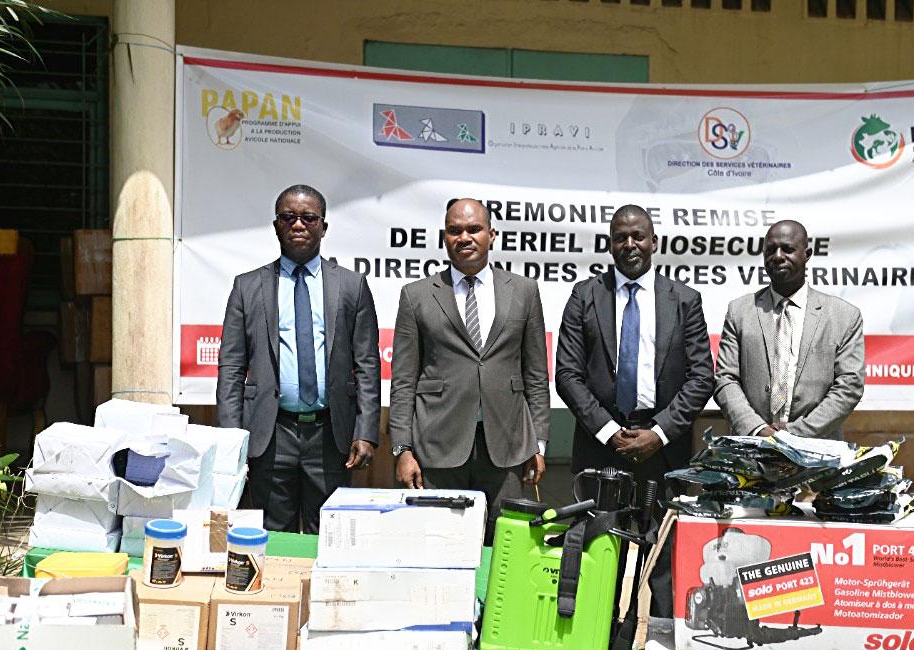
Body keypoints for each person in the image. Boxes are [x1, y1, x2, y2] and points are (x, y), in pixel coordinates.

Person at [555, 204, 715, 618]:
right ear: (610, 245)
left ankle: (655, 645)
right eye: (621, 238)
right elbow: (567, 375)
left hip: (663, 450)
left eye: (638, 236)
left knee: (662, 561)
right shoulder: (585, 296)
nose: (630, 244)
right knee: (598, 556)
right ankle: (599, 644)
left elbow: (701, 378)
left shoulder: (684, 300)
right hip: (600, 448)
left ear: (653, 242)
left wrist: (658, 433)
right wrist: (609, 431)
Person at [217, 184, 381, 533]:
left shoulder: (351, 286)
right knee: (273, 537)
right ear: (276, 225)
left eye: (308, 218)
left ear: (324, 227)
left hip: (331, 434)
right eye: (288, 217)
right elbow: (231, 367)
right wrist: (231, 439)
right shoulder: (248, 286)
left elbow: (367, 364)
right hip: (270, 434)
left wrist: (366, 431)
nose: (298, 224)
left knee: (331, 537)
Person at [389, 198, 550, 544]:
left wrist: (538, 443)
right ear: (444, 238)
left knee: (504, 547)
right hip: (438, 448)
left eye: (474, 229)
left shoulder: (524, 291)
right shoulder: (417, 296)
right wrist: (402, 449)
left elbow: (536, 376)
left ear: (492, 235)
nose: (464, 237)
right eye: (455, 230)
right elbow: (403, 382)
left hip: (507, 447)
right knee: (440, 546)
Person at [714, 219, 864, 439]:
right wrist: (757, 429)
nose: (777, 256)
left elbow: (849, 386)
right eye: (770, 250)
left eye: (788, 249)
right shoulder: (740, 311)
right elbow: (725, 379)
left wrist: (794, 433)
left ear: (807, 254)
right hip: (752, 445)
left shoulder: (844, 316)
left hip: (816, 449)